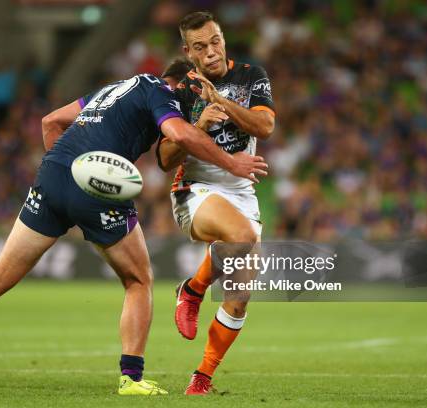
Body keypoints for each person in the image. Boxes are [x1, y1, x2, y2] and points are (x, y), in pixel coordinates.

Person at [0, 60, 269, 396]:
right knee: (138, 280)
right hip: (98, 181)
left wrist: (65, 183)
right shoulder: (162, 91)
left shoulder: (111, 89)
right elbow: (182, 135)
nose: (192, 104)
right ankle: (131, 379)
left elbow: (50, 122)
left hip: (53, 172)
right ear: (180, 82)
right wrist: (232, 164)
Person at [157, 11, 276, 395]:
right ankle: (192, 290)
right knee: (241, 235)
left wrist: (220, 99)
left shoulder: (251, 76)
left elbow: (265, 127)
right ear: (187, 51)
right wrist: (200, 125)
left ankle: (202, 377)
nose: (211, 52)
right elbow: (164, 159)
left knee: (240, 296)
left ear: (223, 38)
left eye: (215, 41)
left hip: (242, 193)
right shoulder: (178, 91)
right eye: (200, 47)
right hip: (195, 190)